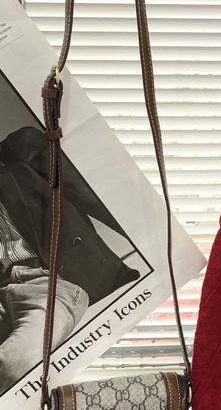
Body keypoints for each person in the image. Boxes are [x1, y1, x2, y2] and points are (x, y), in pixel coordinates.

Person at [0, 125, 140, 394]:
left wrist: (154, 241)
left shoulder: (21, 148)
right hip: (3, 291)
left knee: (13, 365)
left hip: (52, 284)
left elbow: (90, 196)